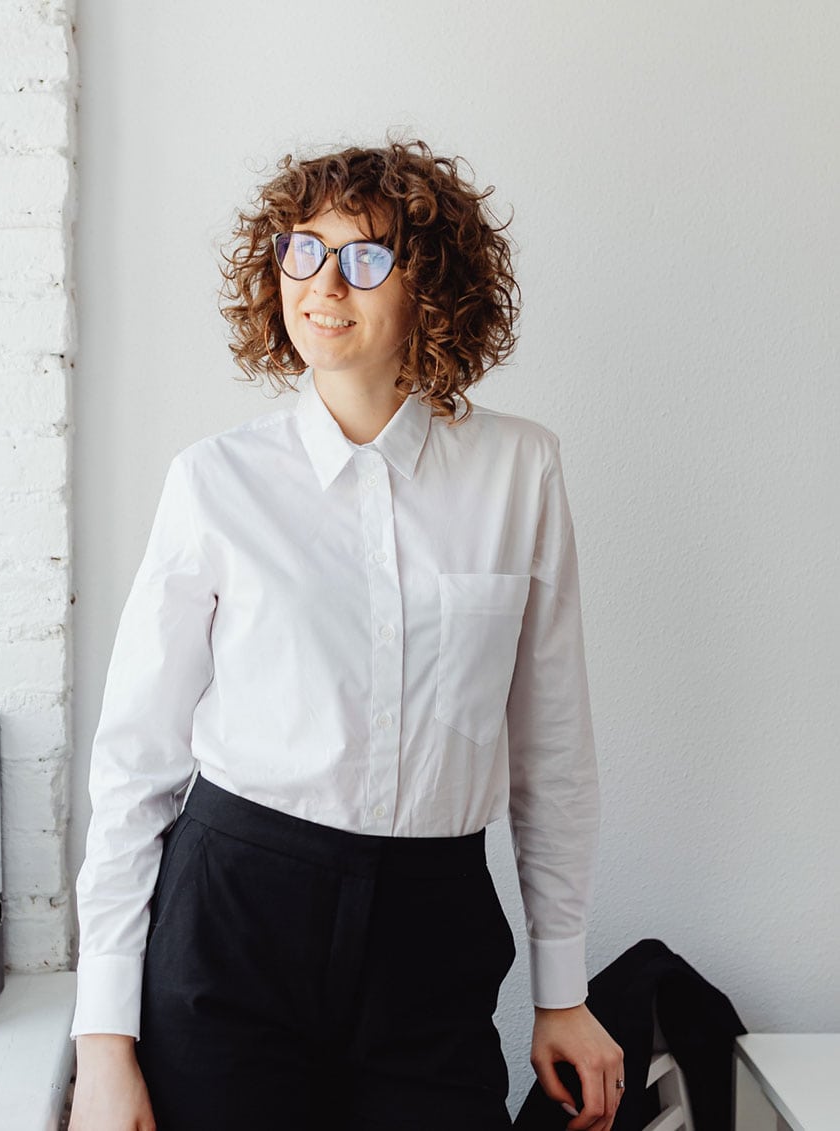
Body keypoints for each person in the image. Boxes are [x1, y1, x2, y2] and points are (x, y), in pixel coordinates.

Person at [69, 139, 624, 1131]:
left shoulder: (520, 473)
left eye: (365, 257)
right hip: (233, 919)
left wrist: (561, 988)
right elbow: (134, 766)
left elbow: (553, 757)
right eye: (301, 252)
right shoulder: (213, 482)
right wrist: (102, 1044)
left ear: (431, 287)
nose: (323, 285)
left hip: (430, 931)